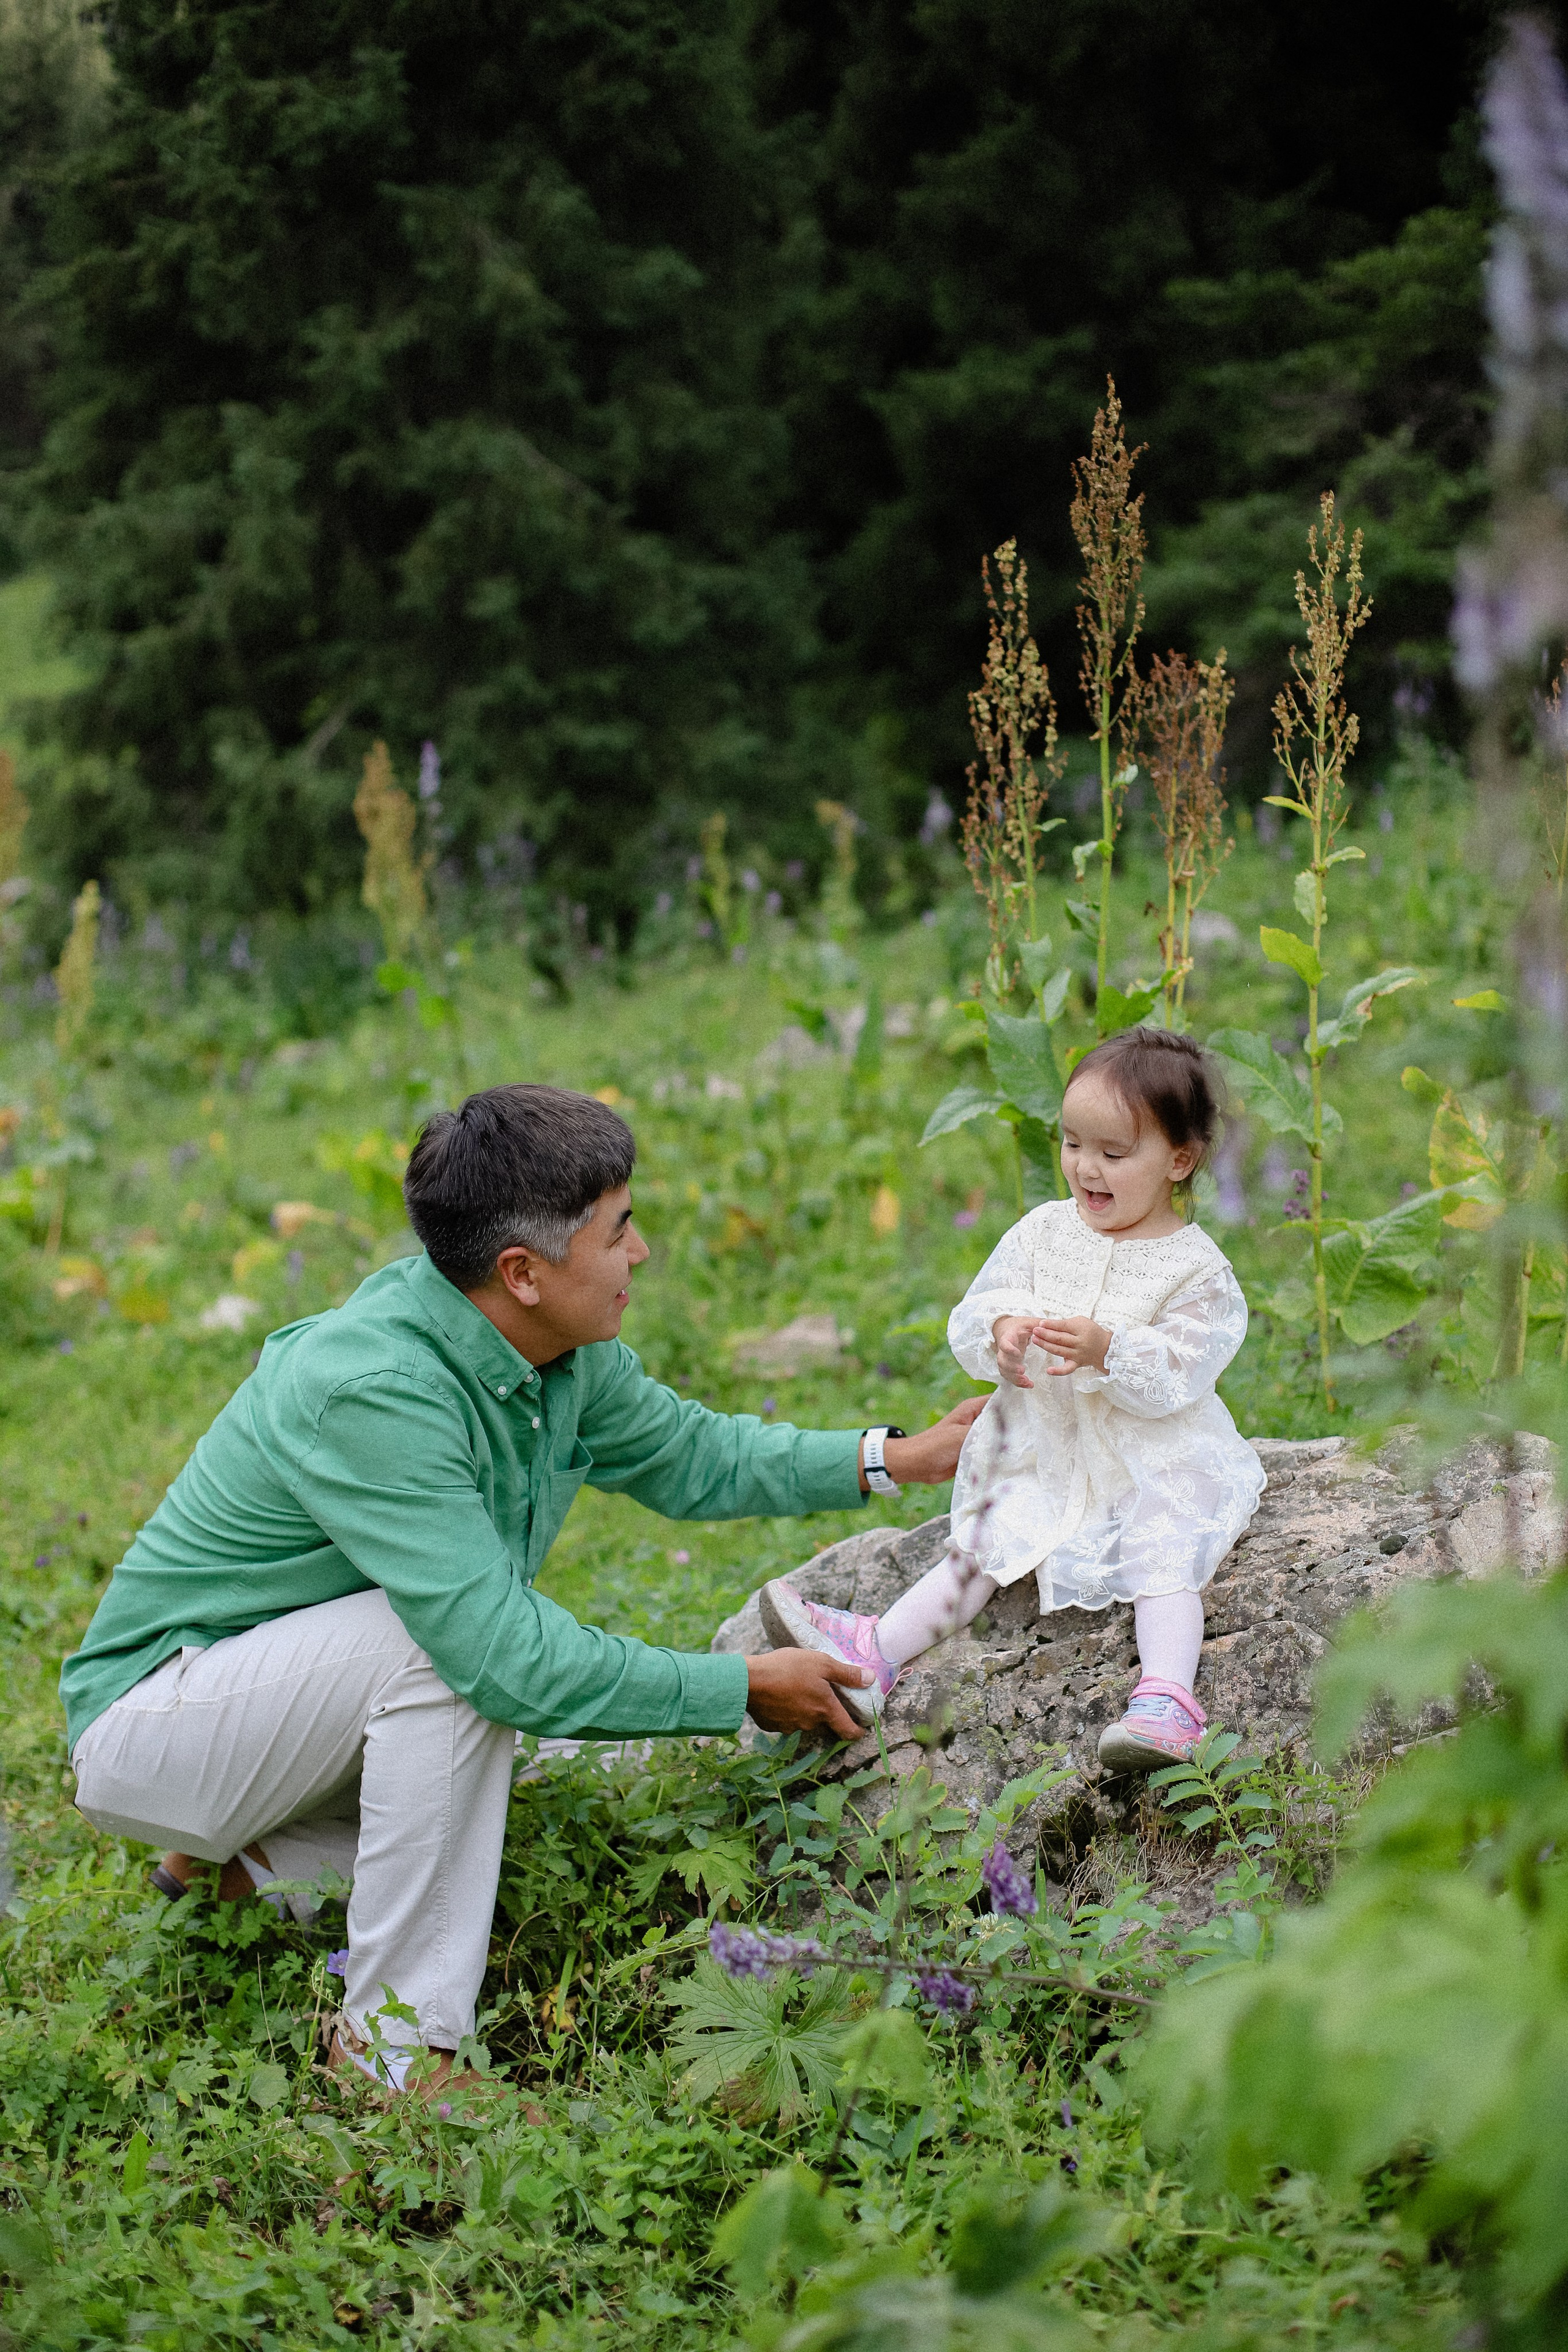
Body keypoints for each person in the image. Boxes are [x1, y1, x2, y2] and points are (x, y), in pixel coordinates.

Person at [62, 1085, 982, 2095]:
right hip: (158, 1724)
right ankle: (397, 2066)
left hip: (282, 1718)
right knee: (460, 1664)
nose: (642, 1255)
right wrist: (741, 1686)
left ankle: (248, 1872)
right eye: (619, 1233)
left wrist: (897, 1455)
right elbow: (496, 1658)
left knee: (565, 1767)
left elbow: (692, 1454)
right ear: (523, 1273)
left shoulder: (554, 1352)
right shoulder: (374, 1389)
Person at [762, 1028, 1264, 1771]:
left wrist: (1109, 1349)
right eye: (1071, 1144)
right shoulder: (1042, 1233)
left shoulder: (1196, 1270)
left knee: (1165, 1547)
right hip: (1048, 1448)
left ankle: (1165, 1699)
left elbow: (1185, 1369)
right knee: (984, 1543)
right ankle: (874, 1660)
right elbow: (977, 1310)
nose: (1085, 1167)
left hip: (1152, 1456)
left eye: (1113, 1153)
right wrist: (1000, 1332)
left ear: (1179, 1161)